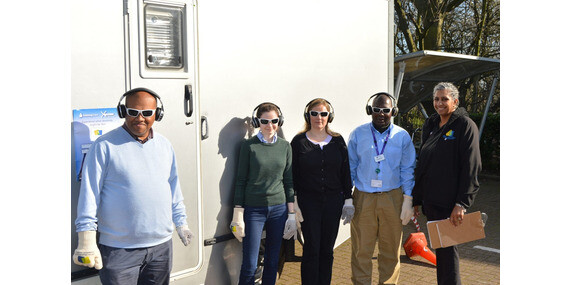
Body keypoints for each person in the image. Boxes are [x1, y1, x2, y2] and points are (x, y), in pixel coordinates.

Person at [73, 87, 194, 285]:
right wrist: (86, 238)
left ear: (157, 114)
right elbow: (89, 193)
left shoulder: (165, 146)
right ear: (123, 112)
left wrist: (181, 223)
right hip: (119, 250)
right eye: (133, 112)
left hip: (161, 248)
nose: (140, 118)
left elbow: (173, 189)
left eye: (147, 113)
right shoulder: (104, 146)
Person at [412, 82, 481, 285]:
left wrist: (462, 203)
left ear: (455, 101)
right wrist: (416, 198)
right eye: (436, 99)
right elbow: (422, 164)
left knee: (449, 253)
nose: (439, 103)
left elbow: (472, 166)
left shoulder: (465, 125)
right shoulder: (431, 124)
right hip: (432, 202)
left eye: (444, 99)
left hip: (450, 204)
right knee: (441, 251)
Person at [348, 92, 416, 285]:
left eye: (385, 110)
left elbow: (407, 169)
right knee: (361, 250)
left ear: (393, 111)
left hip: (392, 198)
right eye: (376, 109)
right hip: (363, 198)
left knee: (390, 250)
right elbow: (350, 167)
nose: (381, 113)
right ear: (370, 110)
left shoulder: (402, 136)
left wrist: (408, 200)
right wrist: (346, 197)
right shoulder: (358, 134)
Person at [230, 102, 296, 285]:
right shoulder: (249, 146)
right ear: (257, 121)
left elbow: (289, 181)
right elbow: (241, 180)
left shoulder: (285, 147)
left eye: (274, 121)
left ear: (279, 121)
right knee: (250, 264)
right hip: (254, 210)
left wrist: (291, 214)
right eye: (265, 121)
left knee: (272, 261)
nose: (270, 126)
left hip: (279, 209)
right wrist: (238, 213)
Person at [290, 98, 353, 285]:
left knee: (327, 250)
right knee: (312, 249)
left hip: (333, 203)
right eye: (314, 113)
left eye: (323, 114)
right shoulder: (298, 142)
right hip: (308, 204)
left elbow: (345, 172)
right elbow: (292, 175)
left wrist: (348, 199)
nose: (319, 117)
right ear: (308, 116)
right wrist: (294, 203)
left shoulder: (338, 141)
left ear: (329, 116)